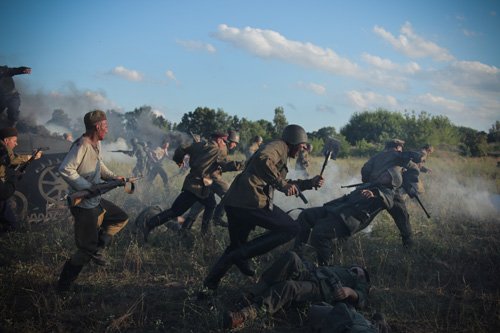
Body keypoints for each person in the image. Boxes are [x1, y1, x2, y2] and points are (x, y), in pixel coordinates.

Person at [202, 124, 324, 292]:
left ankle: (207, 289)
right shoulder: (279, 146)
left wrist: (310, 183)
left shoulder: (282, 152)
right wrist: (282, 184)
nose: (304, 148)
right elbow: (263, 159)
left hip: (236, 201)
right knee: (292, 228)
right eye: (302, 144)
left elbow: (284, 182)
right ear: (295, 141)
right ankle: (242, 256)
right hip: (250, 201)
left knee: (235, 248)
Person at [57, 110, 129, 292]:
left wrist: (114, 178)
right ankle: (62, 287)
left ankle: (97, 247)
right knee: (84, 252)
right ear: (97, 126)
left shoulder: (96, 144)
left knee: (120, 218)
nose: (107, 129)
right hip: (83, 205)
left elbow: (99, 165)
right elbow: (65, 169)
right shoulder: (82, 144)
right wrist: (86, 186)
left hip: (94, 200)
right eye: (105, 126)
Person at [223, 250, 370, 329]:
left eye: (361, 272)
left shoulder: (359, 281)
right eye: (357, 268)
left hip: (320, 289)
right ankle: (251, 295)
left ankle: (246, 314)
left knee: (290, 286)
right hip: (310, 273)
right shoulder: (341, 268)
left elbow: (362, 298)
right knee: (291, 256)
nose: (358, 270)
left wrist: (351, 292)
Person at [139, 132, 242, 239]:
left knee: (210, 204)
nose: (225, 144)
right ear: (219, 140)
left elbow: (181, 149)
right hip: (197, 186)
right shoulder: (216, 150)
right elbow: (225, 164)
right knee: (176, 211)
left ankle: (204, 234)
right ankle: (149, 224)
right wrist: (243, 165)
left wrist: (179, 160)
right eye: (225, 142)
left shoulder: (200, 145)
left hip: (196, 184)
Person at [294, 167, 402, 265]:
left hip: (347, 220)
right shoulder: (372, 184)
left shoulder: (388, 193)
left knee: (319, 233)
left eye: (387, 176)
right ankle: (297, 255)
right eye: (384, 173)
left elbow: (388, 201)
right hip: (335, 209)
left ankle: (325, 267)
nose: (383, 175)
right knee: (305, 215)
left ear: (393, 182)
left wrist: (374, 194)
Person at [360, 139, 421, 248]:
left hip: (373, 190)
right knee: (402, 217)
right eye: (401, 148)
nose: (401, 150)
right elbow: (415, 169)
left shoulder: (376, 156)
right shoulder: (399, 155)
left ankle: (343, 235)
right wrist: (405, 179)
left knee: (364, 218)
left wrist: (369, 181)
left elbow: (365, 170)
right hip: (391, 193)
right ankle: (408, 245)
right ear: (398, 147)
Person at [182, 130, 244, 229]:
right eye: (234, 142)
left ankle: (185, 229)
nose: (235, 145)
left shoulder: (222, 147)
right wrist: (241, 165)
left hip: (206, 179)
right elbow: (224, 164)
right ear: (229, 140)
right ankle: (217, 218)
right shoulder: (222, 148)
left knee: (198, 207)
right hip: (212, 178)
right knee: (229, 194)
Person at [0, 127, 42, 232]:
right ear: (6, 141)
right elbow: (12, 159)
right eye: (14, 141)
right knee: (11, 223)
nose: (16, 144)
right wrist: (30, 157)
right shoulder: (2, 149)